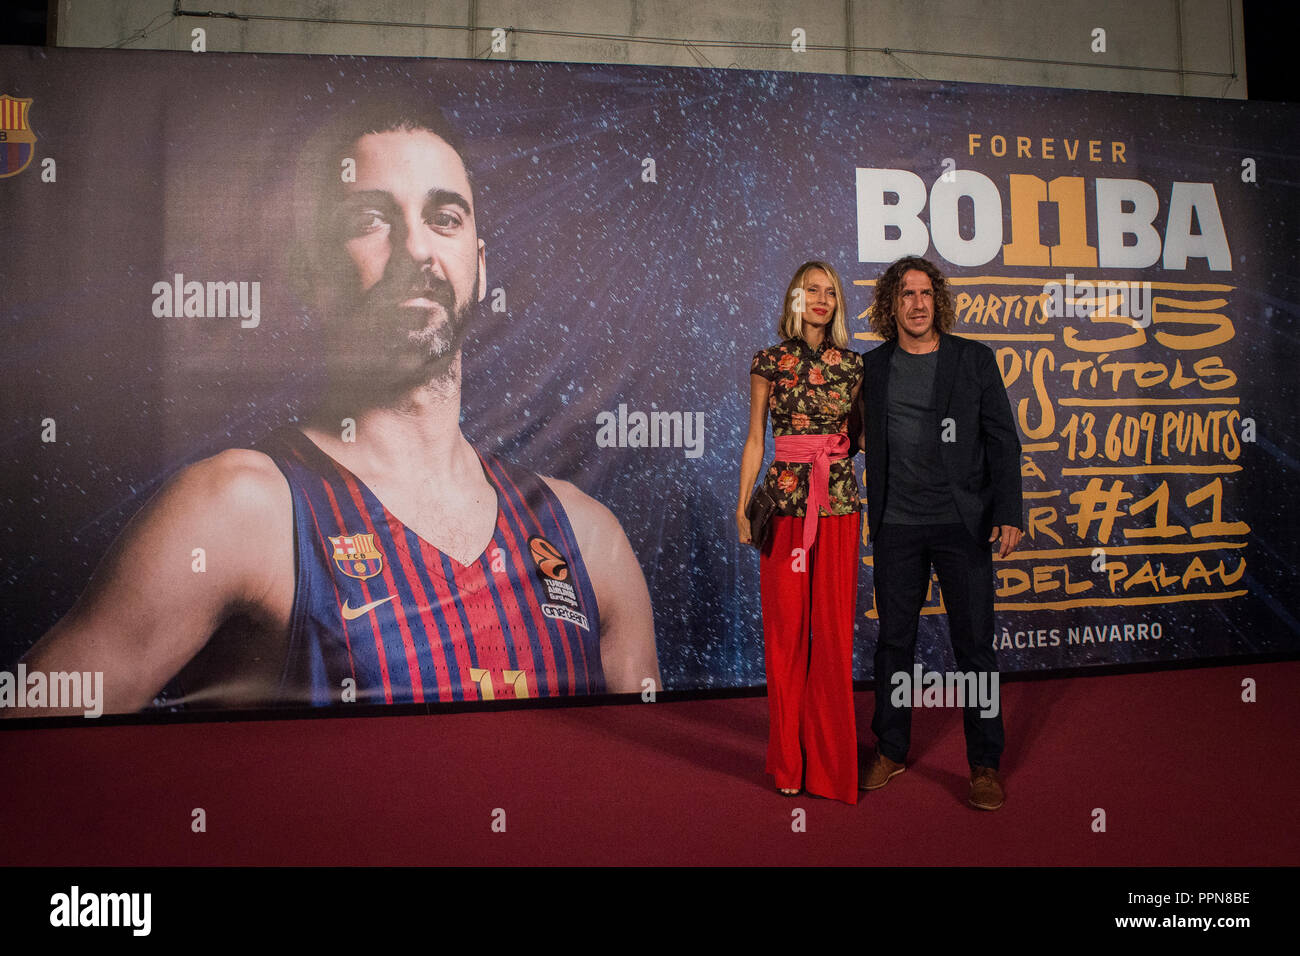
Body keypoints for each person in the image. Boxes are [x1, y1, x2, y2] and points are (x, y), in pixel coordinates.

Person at [11, 101, 660, 715]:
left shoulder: (589, 541)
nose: (416, 250)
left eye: (445, 218)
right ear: (311, 275)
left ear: (479, 267)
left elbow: (637, 794)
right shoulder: (236, 509)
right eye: (371, 219)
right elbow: (30, 736)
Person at [857, 255, 1022, 810]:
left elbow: (1003, 440)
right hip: (897, 526)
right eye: (905, 294)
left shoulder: (974, 360)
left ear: (939, 301)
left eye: (926, 293)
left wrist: (1009, 513)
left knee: (974, 645)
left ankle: (984, 764)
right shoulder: (872, 368)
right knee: (894, 644)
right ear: (891, 305)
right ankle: (891, 749)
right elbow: (848, 437)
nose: (918, 303)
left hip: (963, 524)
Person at [738, 261, 863, 804]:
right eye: (812, 289)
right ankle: (789, 760)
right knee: (786, 636)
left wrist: (837, 456)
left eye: (830, 291)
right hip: (784, 510)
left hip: (838, 510)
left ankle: (833, 767)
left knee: (833, 637)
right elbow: (754, 441)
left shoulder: (856, 367)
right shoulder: (769, 361)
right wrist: (742, 509)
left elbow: (859, 440)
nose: (821, 298)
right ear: (794, 297)